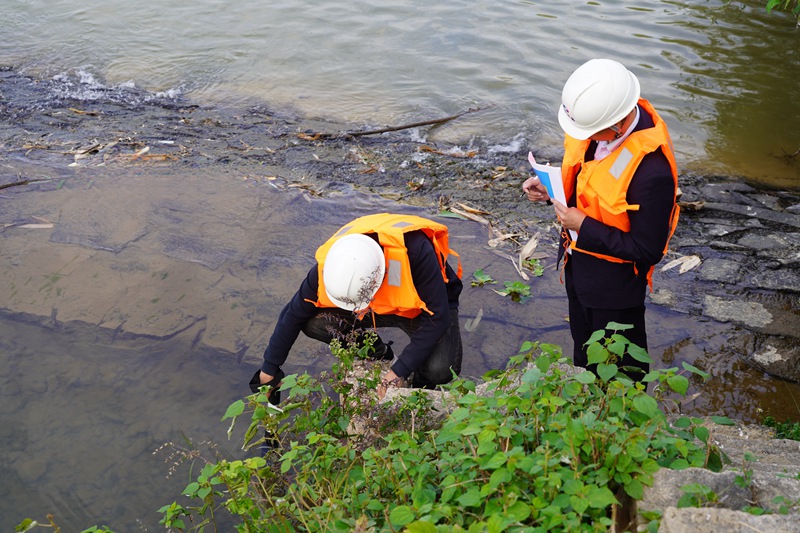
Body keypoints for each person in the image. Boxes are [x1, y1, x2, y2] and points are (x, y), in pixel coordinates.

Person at [522, 58, 680, 380]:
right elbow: (588, 180)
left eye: (595, 131)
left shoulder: (652, 172)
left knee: (620, 368)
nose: (590, 137)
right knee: (584, 354)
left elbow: (647, 250)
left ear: (621, 121)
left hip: (614, 290)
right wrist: (552, 188)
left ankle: (623, 426)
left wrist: (583, 226)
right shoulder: (596, 123)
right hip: (578, 268)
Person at [253, 212, 463, 400]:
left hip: (420, 310)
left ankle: (420, 386)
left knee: (440, 369)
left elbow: (438, 317)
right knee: (314, 323)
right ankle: (379, 354)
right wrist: (269, 368)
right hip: (374, 307)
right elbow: (292, 315)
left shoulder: (414, 251)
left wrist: (399, 371)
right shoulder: (331, 265)